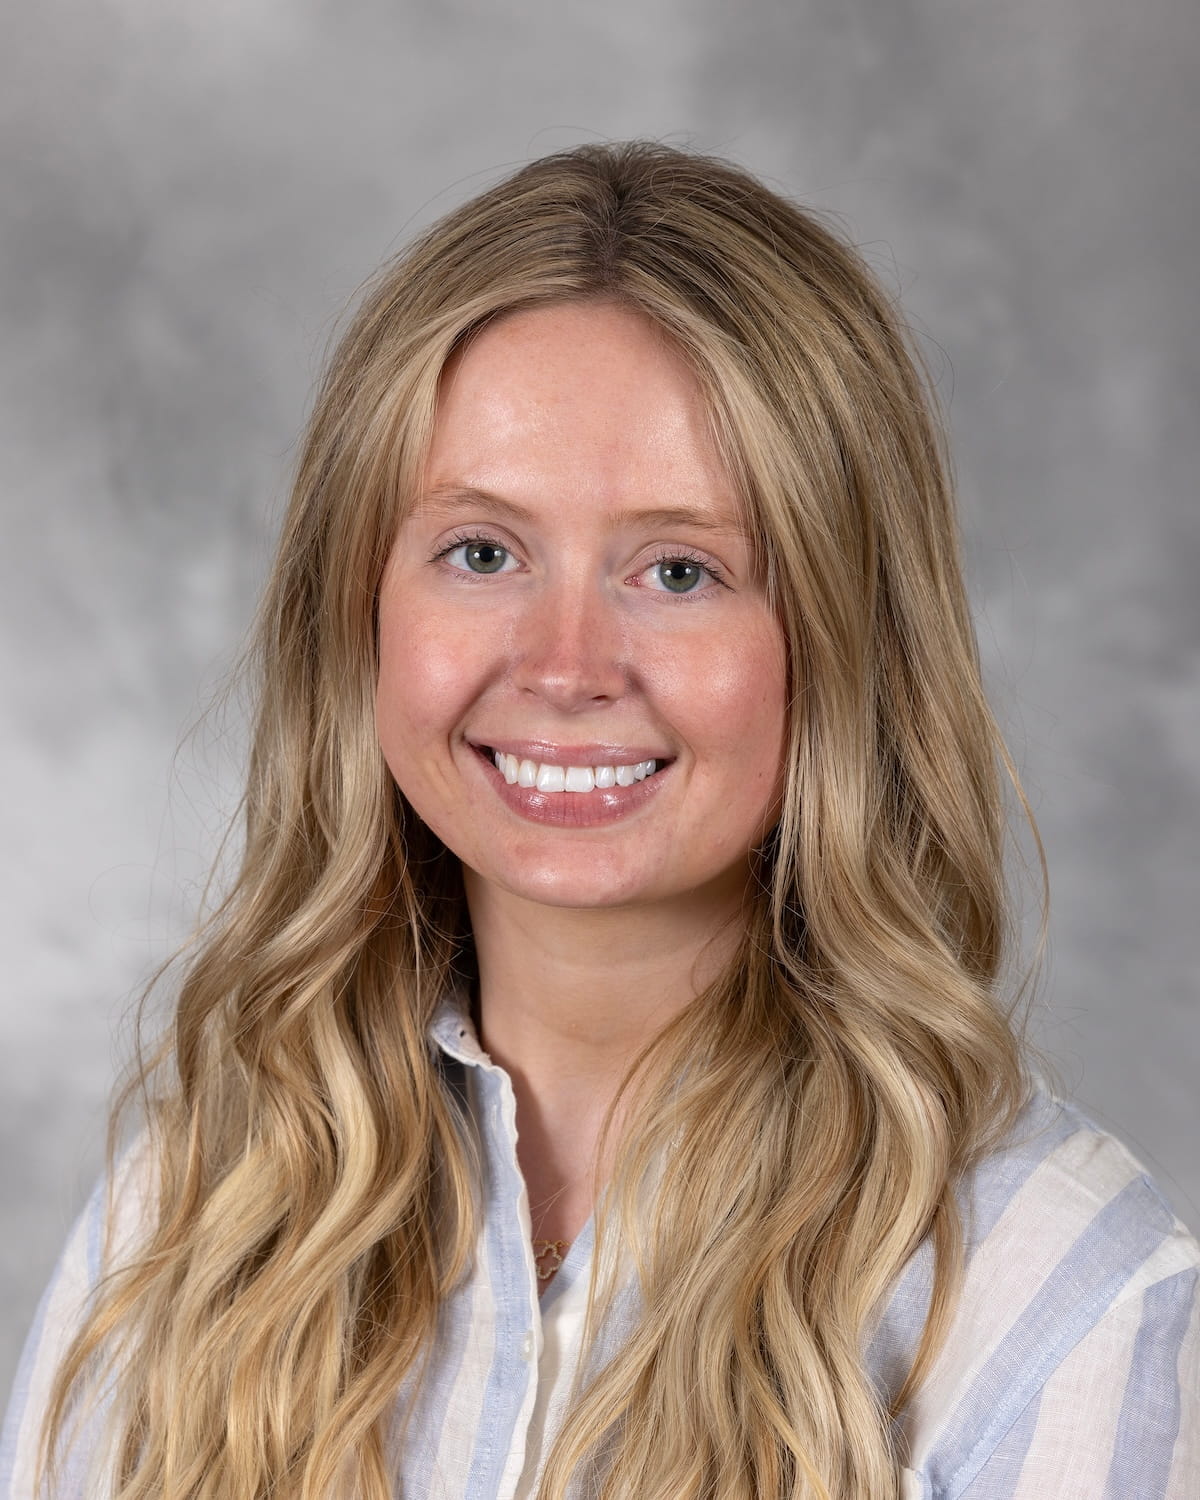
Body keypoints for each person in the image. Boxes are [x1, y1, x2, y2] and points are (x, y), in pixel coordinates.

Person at [2, 141, 1197, 1500]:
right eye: (481, 553)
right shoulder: (195, 1215)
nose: (565, 664)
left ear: (848, 640)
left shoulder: (1058, 1299)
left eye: (680, 570)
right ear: (362, 612)